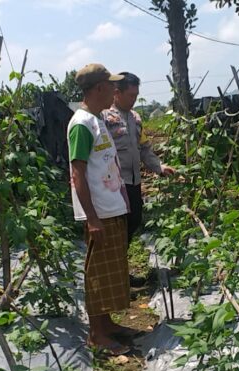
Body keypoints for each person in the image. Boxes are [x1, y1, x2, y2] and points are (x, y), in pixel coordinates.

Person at [69, 63, 139, 356]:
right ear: (99, 88)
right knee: (98, 274)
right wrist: (93, 218)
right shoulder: (82, 124)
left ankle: (107, 324)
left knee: (111, 271)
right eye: (111, 86)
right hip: (99, 213)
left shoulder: (97, 120)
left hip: (111, 208)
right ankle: (97, 334)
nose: (115, 90)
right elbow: (77, 174)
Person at [102, 72, 175, 287]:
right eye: (131, 95)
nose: (134, 99)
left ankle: (119, 271)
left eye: (136, 95)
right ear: (117, 93)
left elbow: (144, 149)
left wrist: (159, 167)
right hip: (113, 185)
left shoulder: (135, 118)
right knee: (116, 230)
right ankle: (115, 275)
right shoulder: (104, 118)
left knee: (133, 221)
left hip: (132, 183)